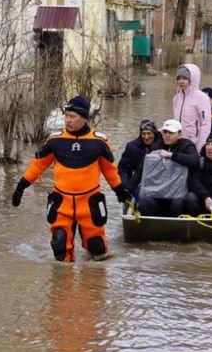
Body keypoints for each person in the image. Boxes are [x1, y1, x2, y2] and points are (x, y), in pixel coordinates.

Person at [11, 95, 131, 262]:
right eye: (66, 116)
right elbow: (37, 165)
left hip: (89, 202)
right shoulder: (55, 140)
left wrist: (120, 191)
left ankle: (93, 282)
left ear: (84, 118)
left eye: (73, 117)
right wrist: (21, 186)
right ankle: (63, 285)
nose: (68, 120)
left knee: (97, 248)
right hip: (62, 202)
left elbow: (109, 171)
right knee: (60, 246)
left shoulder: (99, 142)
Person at [138, 119, 199, 217]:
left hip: (178, 193)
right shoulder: (156, 146)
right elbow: (142, 169)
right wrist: (127, 188)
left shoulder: (187, 145)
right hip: (158, 192)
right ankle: (149, 228)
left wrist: (171, 155)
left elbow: (194, 160)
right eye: (165, 132)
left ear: (179, 134)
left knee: (178, 202)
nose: (167, 135)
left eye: (171, 133)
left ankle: (176, 228)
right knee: (145, 201)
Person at [117, 119, 161, 200]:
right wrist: (124, 185)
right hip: (138, 183)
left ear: (154, 133)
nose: (146, 137)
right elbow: (123, 169)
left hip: (159, 183)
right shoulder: (132, 147)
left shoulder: (162, 145)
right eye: (143, 134)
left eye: (149, 133)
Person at [172, 63, 211, 152]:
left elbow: (206, 125)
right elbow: (175, 122)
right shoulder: (176, 98)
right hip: (178, 143)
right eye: (179, 78)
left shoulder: (202, 98)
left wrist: (201, 147)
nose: (181, 81)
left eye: (185, 78)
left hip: (194, 144)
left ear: (193, 79)